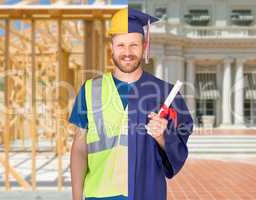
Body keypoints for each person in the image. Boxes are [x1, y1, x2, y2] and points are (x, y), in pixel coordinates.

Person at [69, 8, 193, 200]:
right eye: (121, 45)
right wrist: (77, 197)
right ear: (111, 47)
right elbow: (79, 148)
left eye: (134, 45)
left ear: (144, 46)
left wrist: (162, 136)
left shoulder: (165, 93)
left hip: (147, 194)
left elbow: (179, 152)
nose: (127, 52)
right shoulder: (89, 90)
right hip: (98, 195)